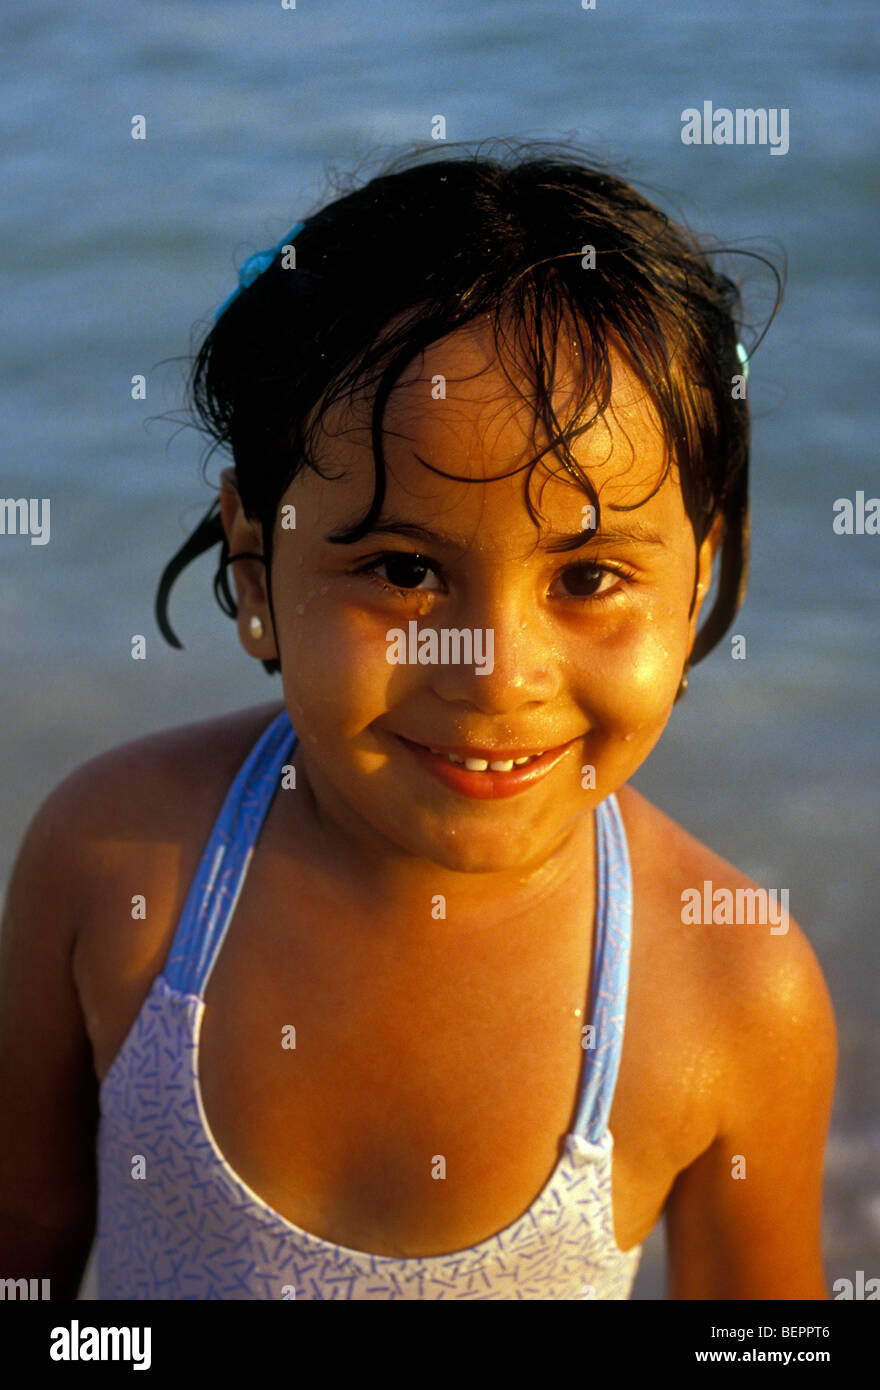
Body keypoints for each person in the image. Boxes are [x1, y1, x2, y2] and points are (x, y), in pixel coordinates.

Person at [0, 142, 836, 1300]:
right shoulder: (115, 866)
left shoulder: (734, 990)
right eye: (401, 570)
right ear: (255, 563)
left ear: (697, 579)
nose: (494, 675)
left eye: (588, 578)